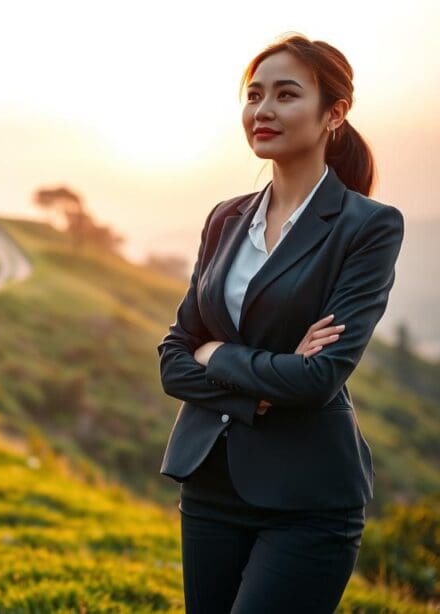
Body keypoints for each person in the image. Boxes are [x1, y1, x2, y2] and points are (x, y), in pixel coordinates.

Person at [156, 33, 405, 613]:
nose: (263, 110)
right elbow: (172, 358)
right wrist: (265, 385)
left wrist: (216, 355)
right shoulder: (225, 218)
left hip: (308, 499)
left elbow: (320, 378)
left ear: (333, 114)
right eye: (254, 94)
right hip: (210, 485)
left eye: (286, 95)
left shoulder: (366, 227)